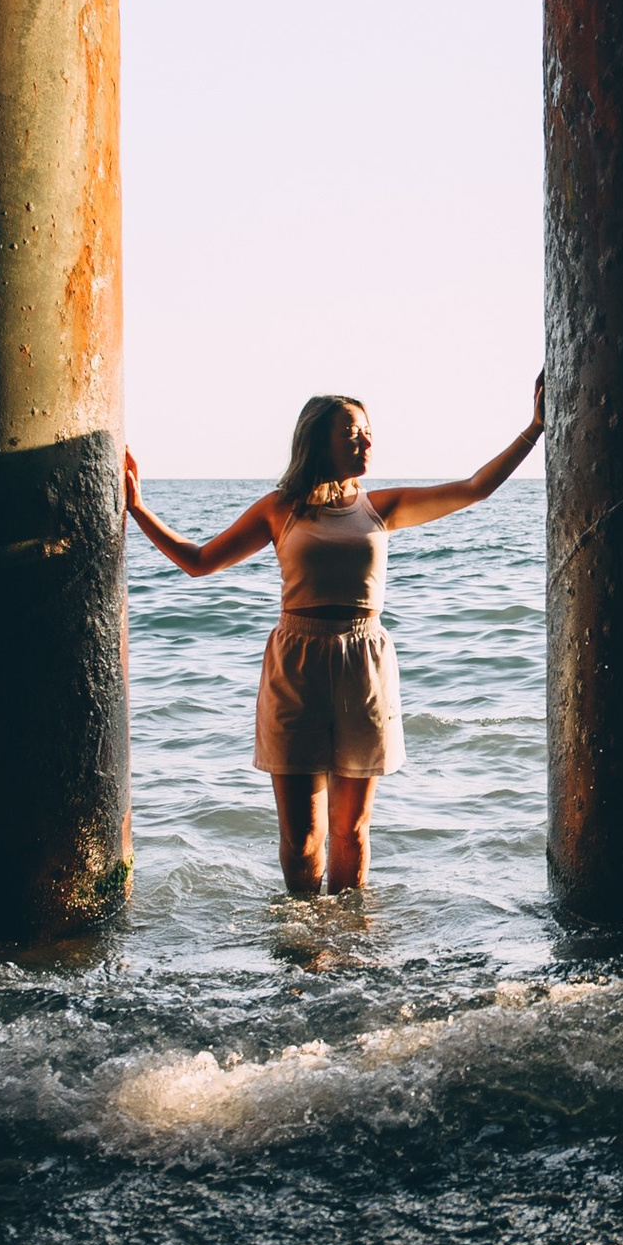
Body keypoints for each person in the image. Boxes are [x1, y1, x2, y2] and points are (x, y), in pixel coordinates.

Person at [121, 377, 544, 896]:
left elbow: (474, 488)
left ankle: (350, 953)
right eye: (352, 433)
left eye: (367, 431)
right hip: (297, 664)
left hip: (364, 662)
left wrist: (535, 428)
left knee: (352, 833)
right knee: (302, 840)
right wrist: (138, 509)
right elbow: (199, 562)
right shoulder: (281, 509)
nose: (365, 441)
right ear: (319, 442)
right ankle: (303, 949)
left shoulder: (380, 508)